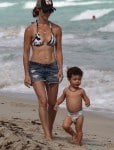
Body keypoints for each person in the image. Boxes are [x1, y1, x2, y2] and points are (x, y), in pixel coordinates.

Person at [23, 0, 63, 141]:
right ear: (38, 9)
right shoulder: (30, 29)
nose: (47, 13)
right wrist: (27, 74)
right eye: (45, 10)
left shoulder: (57, 29)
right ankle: (47, 135)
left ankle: (49, 129)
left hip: (52, 67)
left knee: (52, 104)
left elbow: (58, 51)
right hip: (36, 68)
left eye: (50, 10)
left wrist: (60, 69)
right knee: (43, 101)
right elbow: (26, 53)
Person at [54, 67, 90, 145]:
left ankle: (78, 143)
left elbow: (86, 97)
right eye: (75, 79)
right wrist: (57, 104)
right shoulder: (66, 90)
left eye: (79, 79)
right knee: (65, 126)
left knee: (79, 130)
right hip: (70, 114)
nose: (77, 81)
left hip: (79, 114)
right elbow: (61, 98)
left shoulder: (81, 91)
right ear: (69, 79)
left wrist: (87, 101)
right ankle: (73, 134)